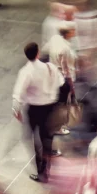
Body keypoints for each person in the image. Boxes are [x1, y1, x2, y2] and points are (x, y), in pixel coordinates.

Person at [12, 42, 63, 183]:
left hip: (34, 109)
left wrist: (16, 109)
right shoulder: (50, 67)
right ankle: (47, 166)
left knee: (34, 139)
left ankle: (40, 169)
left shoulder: (26, 72)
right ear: (38, 53)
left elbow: (18, 93)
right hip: (50, 108)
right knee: (47, 137)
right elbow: (61, 81)